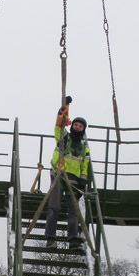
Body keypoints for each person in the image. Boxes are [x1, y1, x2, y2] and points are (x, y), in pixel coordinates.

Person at [44, 95, 91, 253]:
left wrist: (83, 180)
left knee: (73, 210)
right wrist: (61, 111)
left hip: (74, 180)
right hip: (58, 173)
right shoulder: (64, 136)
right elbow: (58, 127)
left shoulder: (84, 147)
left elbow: (85, 163)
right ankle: (50, 239)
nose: (77, 127)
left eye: (80, 126)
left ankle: (73, 240)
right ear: (72, 126)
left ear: (83, 129)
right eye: (76, 124)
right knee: (54, 207)